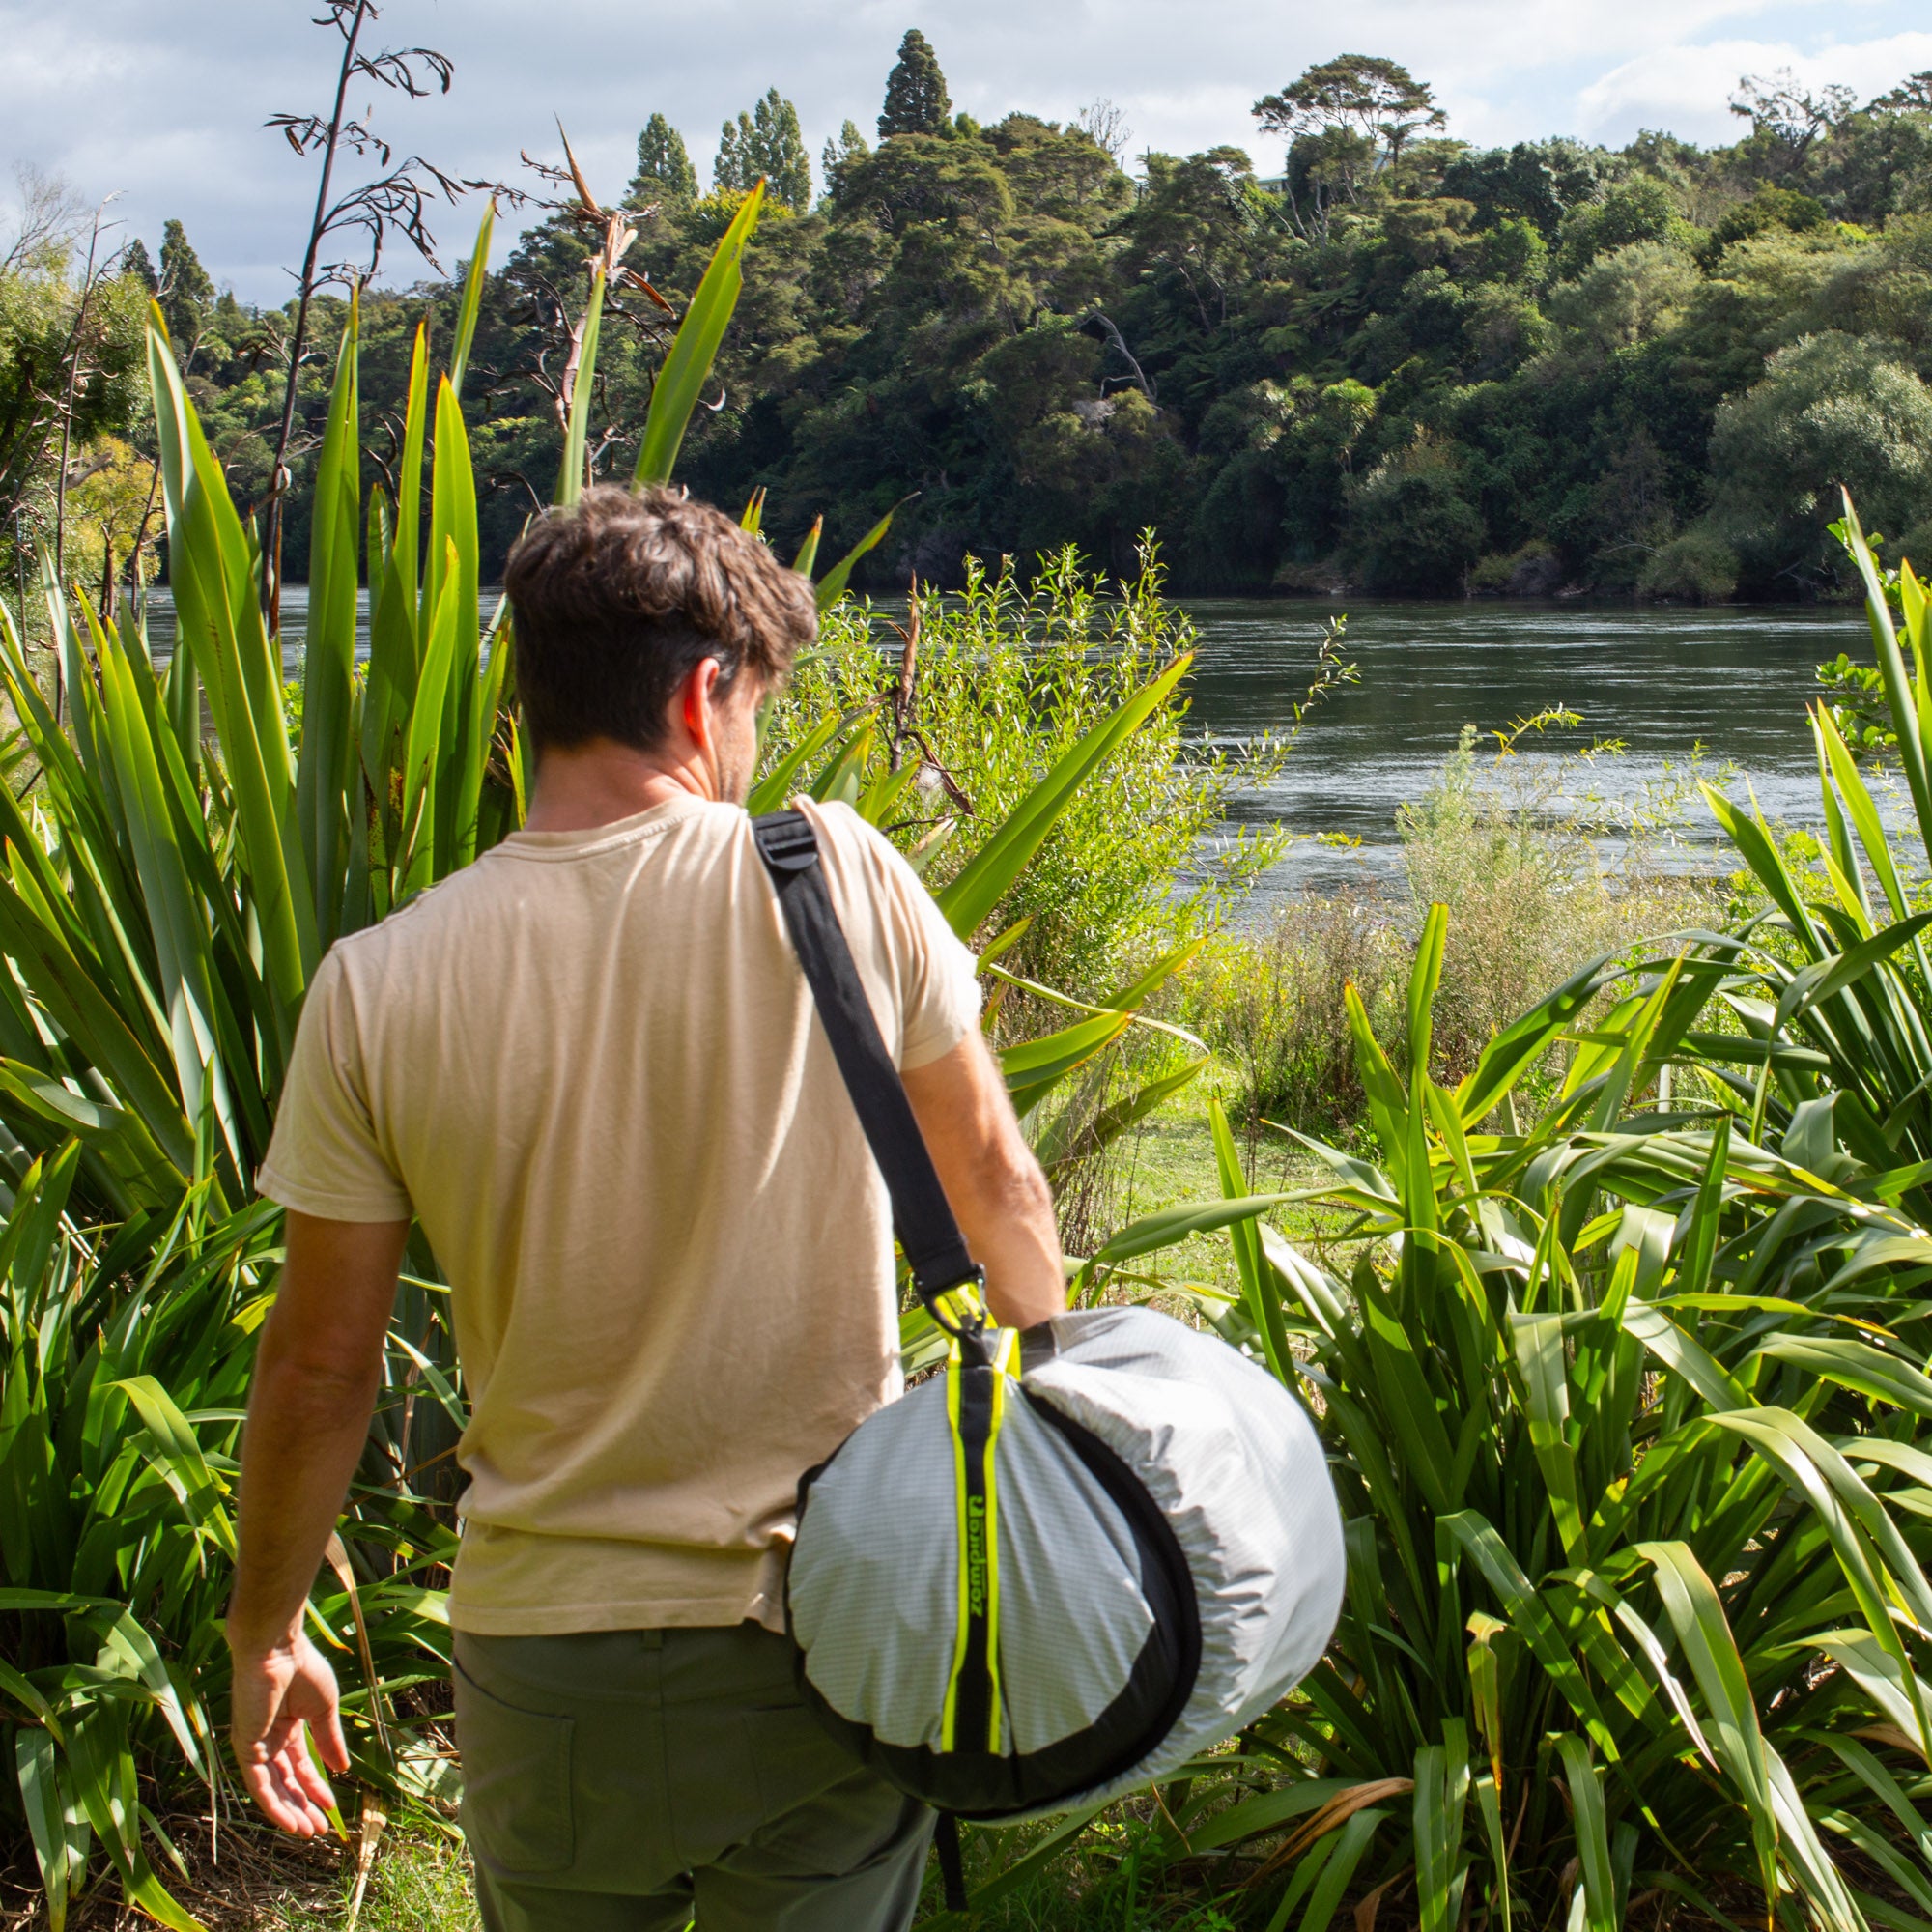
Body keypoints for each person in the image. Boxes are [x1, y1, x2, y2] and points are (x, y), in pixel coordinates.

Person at [225, 485, 1067, 1931]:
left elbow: (318, 1366)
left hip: (546, 1658)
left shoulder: (373, 981)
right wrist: (1061, 1483)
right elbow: (1000, 1193)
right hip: (821, 1631)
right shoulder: (839, 875)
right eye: (755, 706)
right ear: (703, 692)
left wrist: (267, 1631)